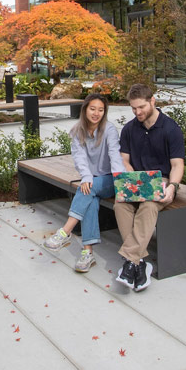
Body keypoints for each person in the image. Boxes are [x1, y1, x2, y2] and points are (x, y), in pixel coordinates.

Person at [113, 83, 185, 292]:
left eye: (141, 107)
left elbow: (177, 165)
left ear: (152, 101)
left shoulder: (170, 129)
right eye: (133, 108)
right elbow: (124, 160)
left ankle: (129, 261)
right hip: (136, 180)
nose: (137, 112)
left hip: (162, 181)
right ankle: (139, 262)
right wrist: (132, 176)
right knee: (120, 205)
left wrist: (172, 187)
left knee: (149, 206)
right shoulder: (129, 128)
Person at [42, 93, 123, 273]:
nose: (96, 113)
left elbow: (114, 154)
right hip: (92, 181)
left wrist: (119, 177)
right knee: (90, 198)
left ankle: (65, 232)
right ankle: (88, 253)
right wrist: (86, 177)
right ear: (85, 109)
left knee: (88, 188)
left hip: (111, 179)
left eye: (101, 110)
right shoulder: (78, 131)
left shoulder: (109, 129)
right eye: (92, 109)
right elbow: (79, 158)